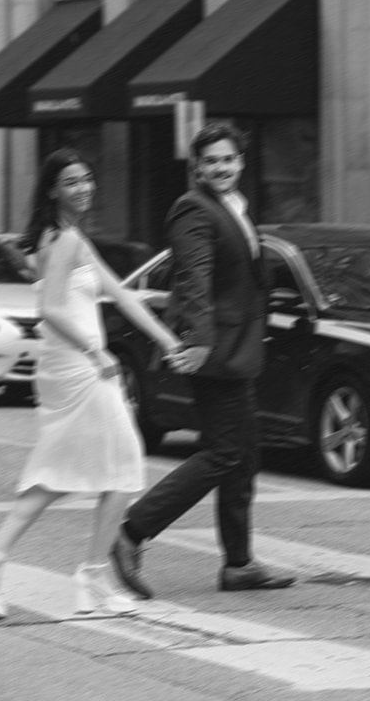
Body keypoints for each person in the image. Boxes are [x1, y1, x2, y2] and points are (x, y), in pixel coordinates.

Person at [0, 149, 183, 620]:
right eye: (71, 182)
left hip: (69, 366)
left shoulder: (65, 238)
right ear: (53, 190)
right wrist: (97, 352)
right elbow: (51, 309)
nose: (84, 188)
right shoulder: (65, 240)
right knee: (123, 468)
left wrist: (169, 339)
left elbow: (120, 295)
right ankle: (92, 577)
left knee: (58, 475)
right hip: (81, 369)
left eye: (87, 178)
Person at [109, 121, 295, 596]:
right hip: (214, 352)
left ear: (241, 162)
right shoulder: (193, 208)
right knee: (223, 453)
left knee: (244, 456)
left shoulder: (235, 206)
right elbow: (193, 278)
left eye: (228, 159)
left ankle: (239, 564)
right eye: (211, 161)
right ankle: (132, 531)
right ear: (197, 167)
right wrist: (196, 341)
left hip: (238, 349)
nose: (220, 168)